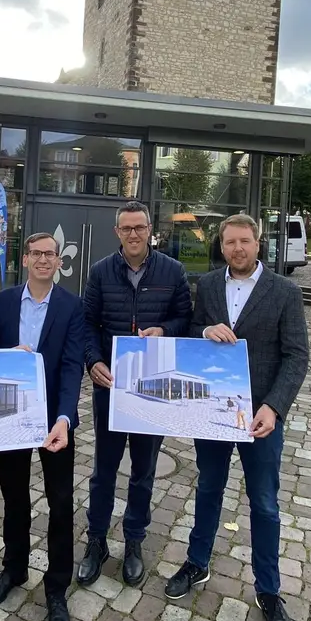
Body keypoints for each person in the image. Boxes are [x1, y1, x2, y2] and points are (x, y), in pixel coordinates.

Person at [164, 213, 309, 621]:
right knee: (208, 487)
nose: (237, 249)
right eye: (229, 242)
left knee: (263, 503)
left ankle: (269, 591)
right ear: (221, 245)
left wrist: (275, 407)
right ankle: (197, 561)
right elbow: (191, 332)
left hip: (261, 416)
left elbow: (296, 355)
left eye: (244, 241)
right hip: (214, 410)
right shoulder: (207, 286)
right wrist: (205, 328)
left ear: (258, 243)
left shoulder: (285, 291)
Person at [0, 232, 88, 621]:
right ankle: (14, 569)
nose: (43, 260)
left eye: (50, 255)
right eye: (36, 254)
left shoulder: (71, 306)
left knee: (60, 503)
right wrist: (9, 359)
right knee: (14, 497)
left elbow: (74, 363)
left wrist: (65, 418)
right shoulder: (5, 302)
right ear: (25, 260)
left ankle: (56, 588)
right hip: (11, 419)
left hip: (55, 423)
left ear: (59, 262)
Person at [78, 200, 193, 588]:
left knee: (143, 471)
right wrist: (93, 361)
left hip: (152, 388)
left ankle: (133, 541)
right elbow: (87, 323)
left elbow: (185, 319)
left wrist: (165, 330)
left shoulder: (172, 271)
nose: (133, 234)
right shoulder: (99, 272)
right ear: (117, 232)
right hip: (110, 384)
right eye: (126, 228)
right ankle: (96, 541)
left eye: (139, 228)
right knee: (104, 470)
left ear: (150, 230)